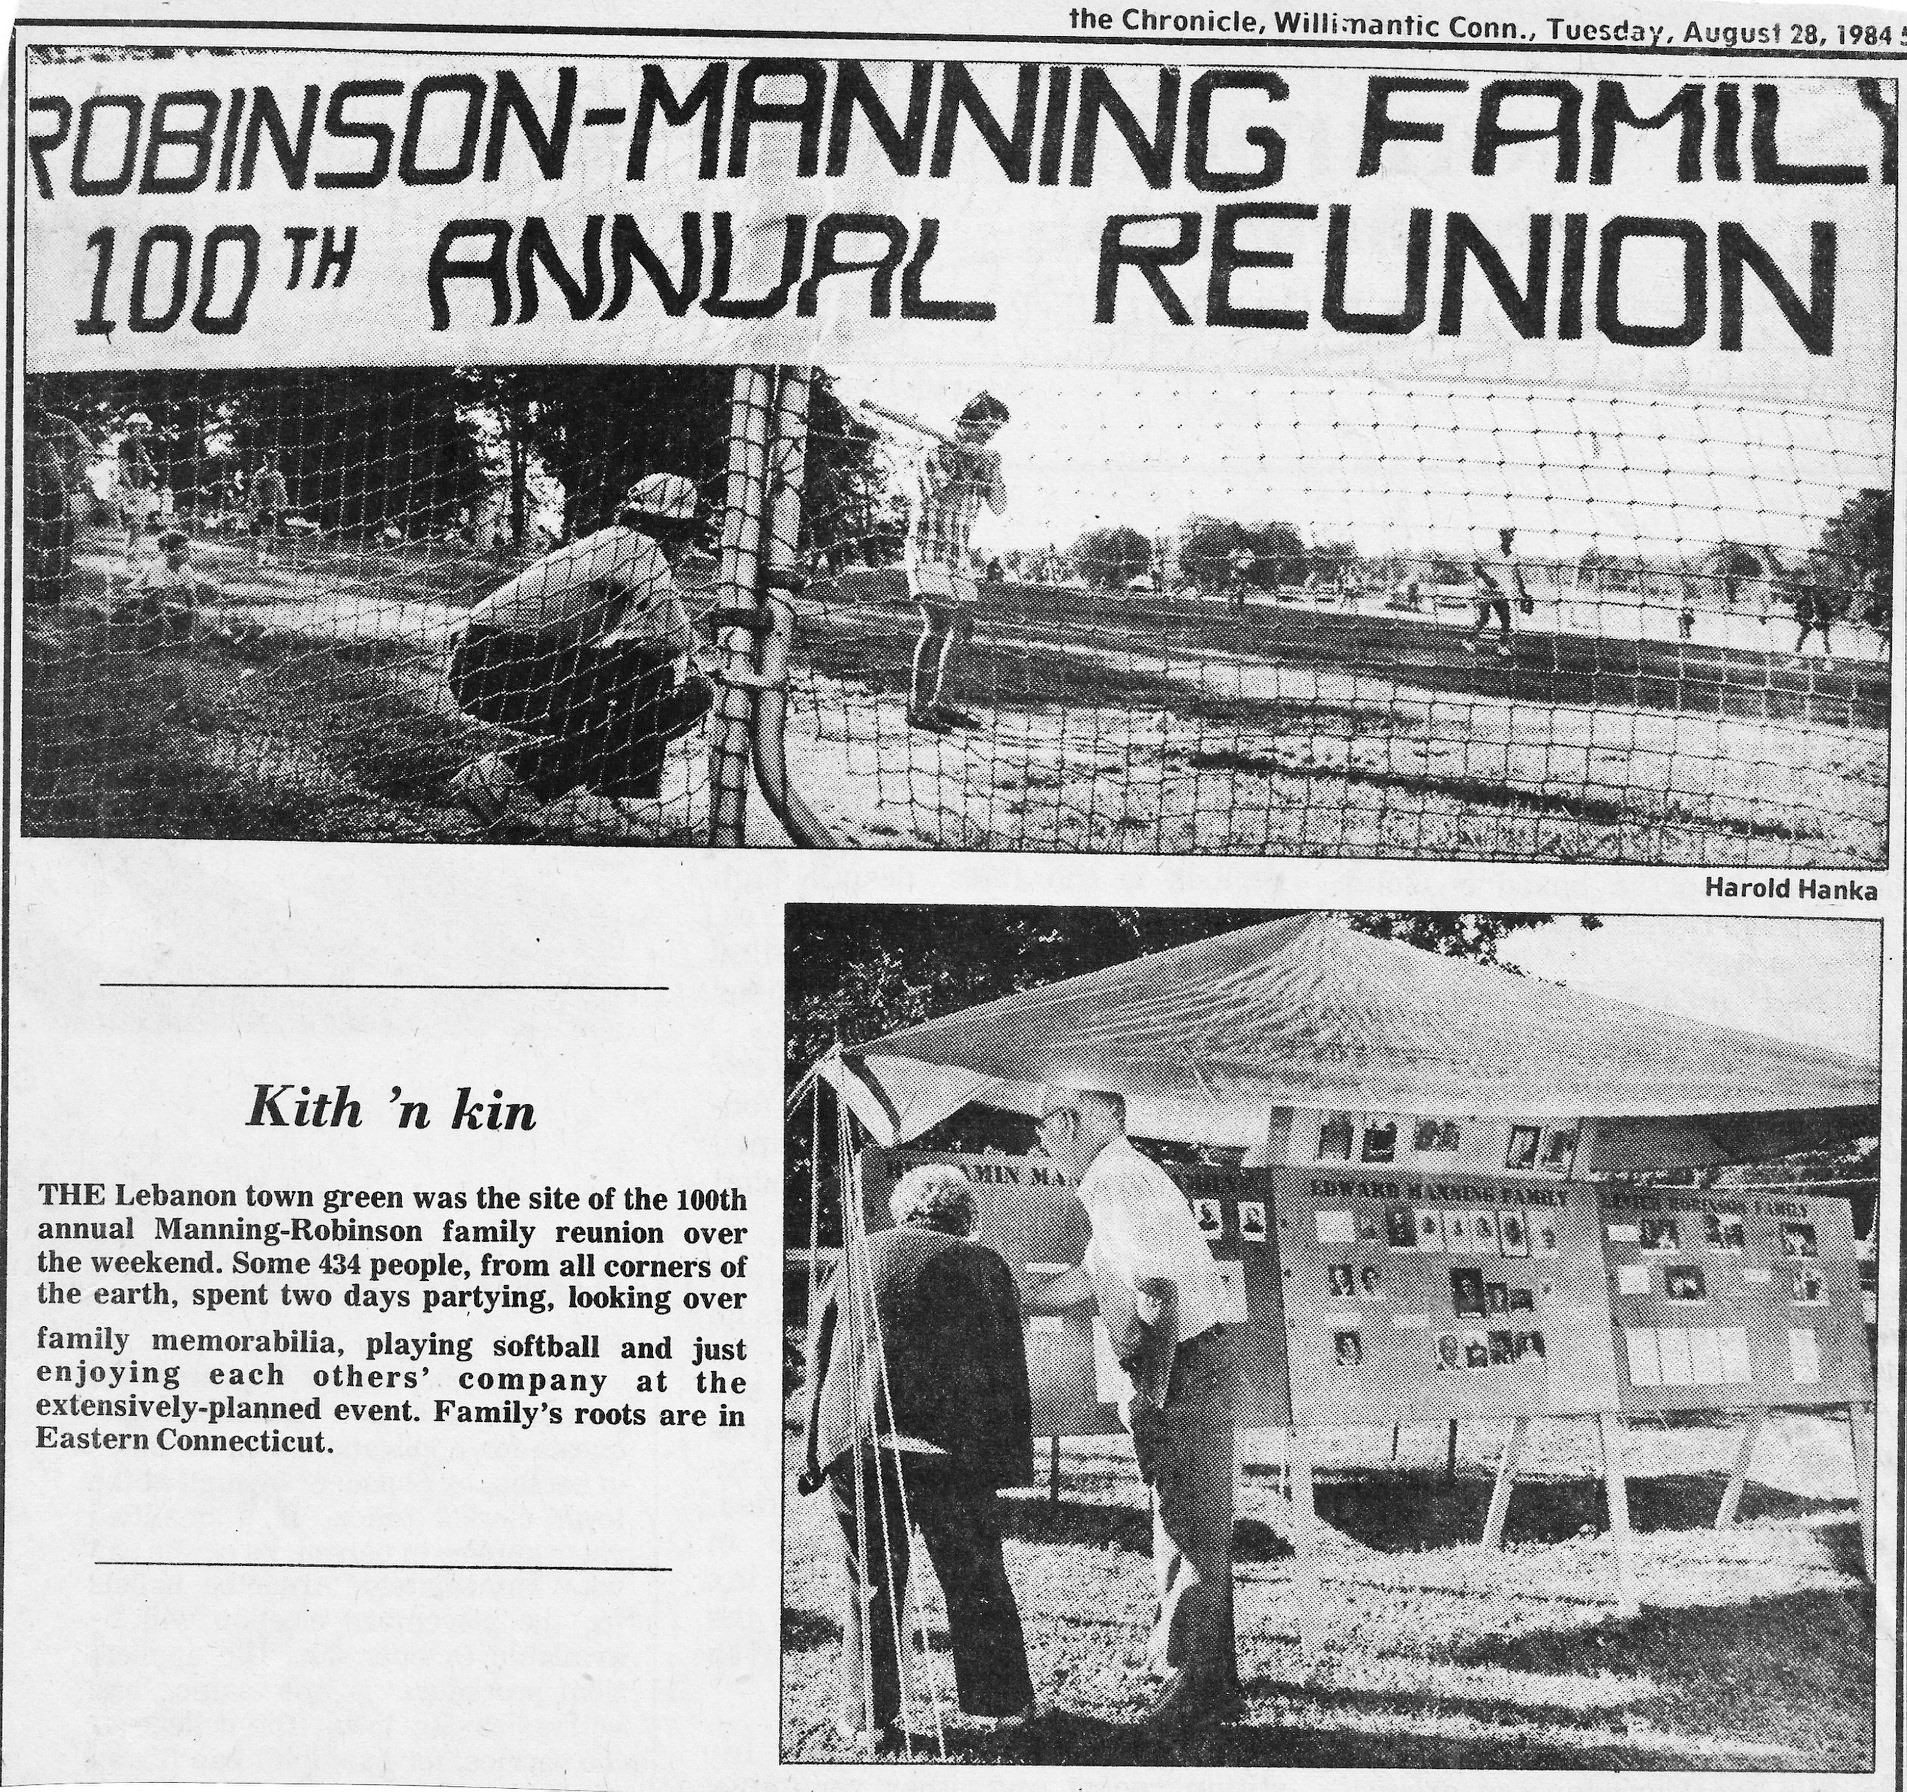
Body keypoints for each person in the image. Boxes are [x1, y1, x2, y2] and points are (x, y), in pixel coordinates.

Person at [1023, 1089, 1240, 1735]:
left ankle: (1196, 1692)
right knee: (1182, 1525)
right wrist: (1016, 1296)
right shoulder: (1119, 1179)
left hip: (1182, 1370)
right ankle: (1193, 1671)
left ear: (1068, 1122)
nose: (1042, 1145)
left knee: (1192, 1528)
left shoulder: (1114, 1179)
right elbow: (1090, 1280)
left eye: (1044, 1129)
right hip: (1189, 1366)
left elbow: (1155, 1289)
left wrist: (1152, 1385)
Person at [800, 1164, 1038, 1748]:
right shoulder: (984, 1265)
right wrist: (1009, 1463)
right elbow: (1008, 1370)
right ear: (961, 1210)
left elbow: (820, 1364)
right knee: (974, 1573)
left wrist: (811, 1452)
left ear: (903, 1208)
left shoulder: (853, 1261)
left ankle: (871, 1716)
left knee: (873, 1582)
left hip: (859, 1443)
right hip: (950, 1454)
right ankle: (1000, 1704)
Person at [446, 473, 715, 836]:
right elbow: (676, 635)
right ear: (678, 530)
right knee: (675, 688)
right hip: (500, 663)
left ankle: (601, 796)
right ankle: (510, 777)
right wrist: (706, 668)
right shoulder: (640, 548)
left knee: (639, 678)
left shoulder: (613, 542)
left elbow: (649, 635)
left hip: (486, 660)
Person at [905, 391, 1009, 734]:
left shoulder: (985, 457)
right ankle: (918, 709)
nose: (990, 436)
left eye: (994, 431)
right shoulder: (934, 451)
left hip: (958, 555)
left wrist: (991, 469)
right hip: (928, 549)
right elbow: (944, 492)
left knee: (963, 629)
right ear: (968, 423)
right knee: (937, 624)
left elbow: (999, 506)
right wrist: (975, 465)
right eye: (986, 429)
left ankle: (944, 704)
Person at [25, 401, 93, 608]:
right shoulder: (42, 437)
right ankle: (41, 588)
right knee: (39, 542)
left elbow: (86, 449)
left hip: (50, 495)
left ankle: (50, 590)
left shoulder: (57, 429)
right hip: (38, 492)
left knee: (52, 541)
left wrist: (72, 478)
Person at [111, 528, 210, 644]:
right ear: (168, 552)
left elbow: (192, 599)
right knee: (157, 630)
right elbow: (154, 600)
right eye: (183, 549)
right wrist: (166, 624)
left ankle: (188, 639)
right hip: (140, 600)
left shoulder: (186, 569)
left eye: (189, 549)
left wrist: (194, 618)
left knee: (189, 617)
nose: (188, 552)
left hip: (164, 601)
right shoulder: (159, 567)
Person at [1464, 526, 1526, 659]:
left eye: (1511, 536)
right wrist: (1487, 579)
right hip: (1485, 591)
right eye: (1505, 536)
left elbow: (1518, 577)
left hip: (1500, 593)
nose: (1508, 538)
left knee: (1506, 619)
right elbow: (1476, 565)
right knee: (1484, 618)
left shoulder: (1513, 556)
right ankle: (1468, 640)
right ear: (1501, 537)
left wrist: (1524, 594)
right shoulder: (1492, 552)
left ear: (1512, 538)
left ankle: (1502, 646)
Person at [115, 412, 161, 571]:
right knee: (135, 524)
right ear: (131, 428)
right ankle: (131, 561)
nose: (141, 431)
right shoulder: (126, 445)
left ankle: (134, 558)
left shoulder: (143, 447)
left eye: (143, 428)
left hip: (143, 488)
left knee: (140, 525)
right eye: (137, 428)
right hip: (132, 489)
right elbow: (123, 468)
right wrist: (131, 489)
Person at [247, 454, 289, 567]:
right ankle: (253, 559)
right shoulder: (260, 474)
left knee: (271, 532)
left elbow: (282, 493)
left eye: (274, 460)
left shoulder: (278, 475)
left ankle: (268, 559)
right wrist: (259, 505)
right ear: (265, 460)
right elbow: (254, 490)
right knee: (255, 531)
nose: (272, 462)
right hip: (258, 506)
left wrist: (282, 506)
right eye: (269, 460)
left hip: (272, 507)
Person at [1791, 572, 1836, 670]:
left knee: (1825, 641)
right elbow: (1798, 610)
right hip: (1810, 620)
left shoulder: (1820, 598)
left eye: (1813, 589)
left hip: (1821, 621)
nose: (1812, 591)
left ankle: (1828, 662)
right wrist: (1806, 617)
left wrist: (1821, 617)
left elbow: (1828, 611)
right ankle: (1796, 658)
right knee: (1801, 638)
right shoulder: (1805, 599)